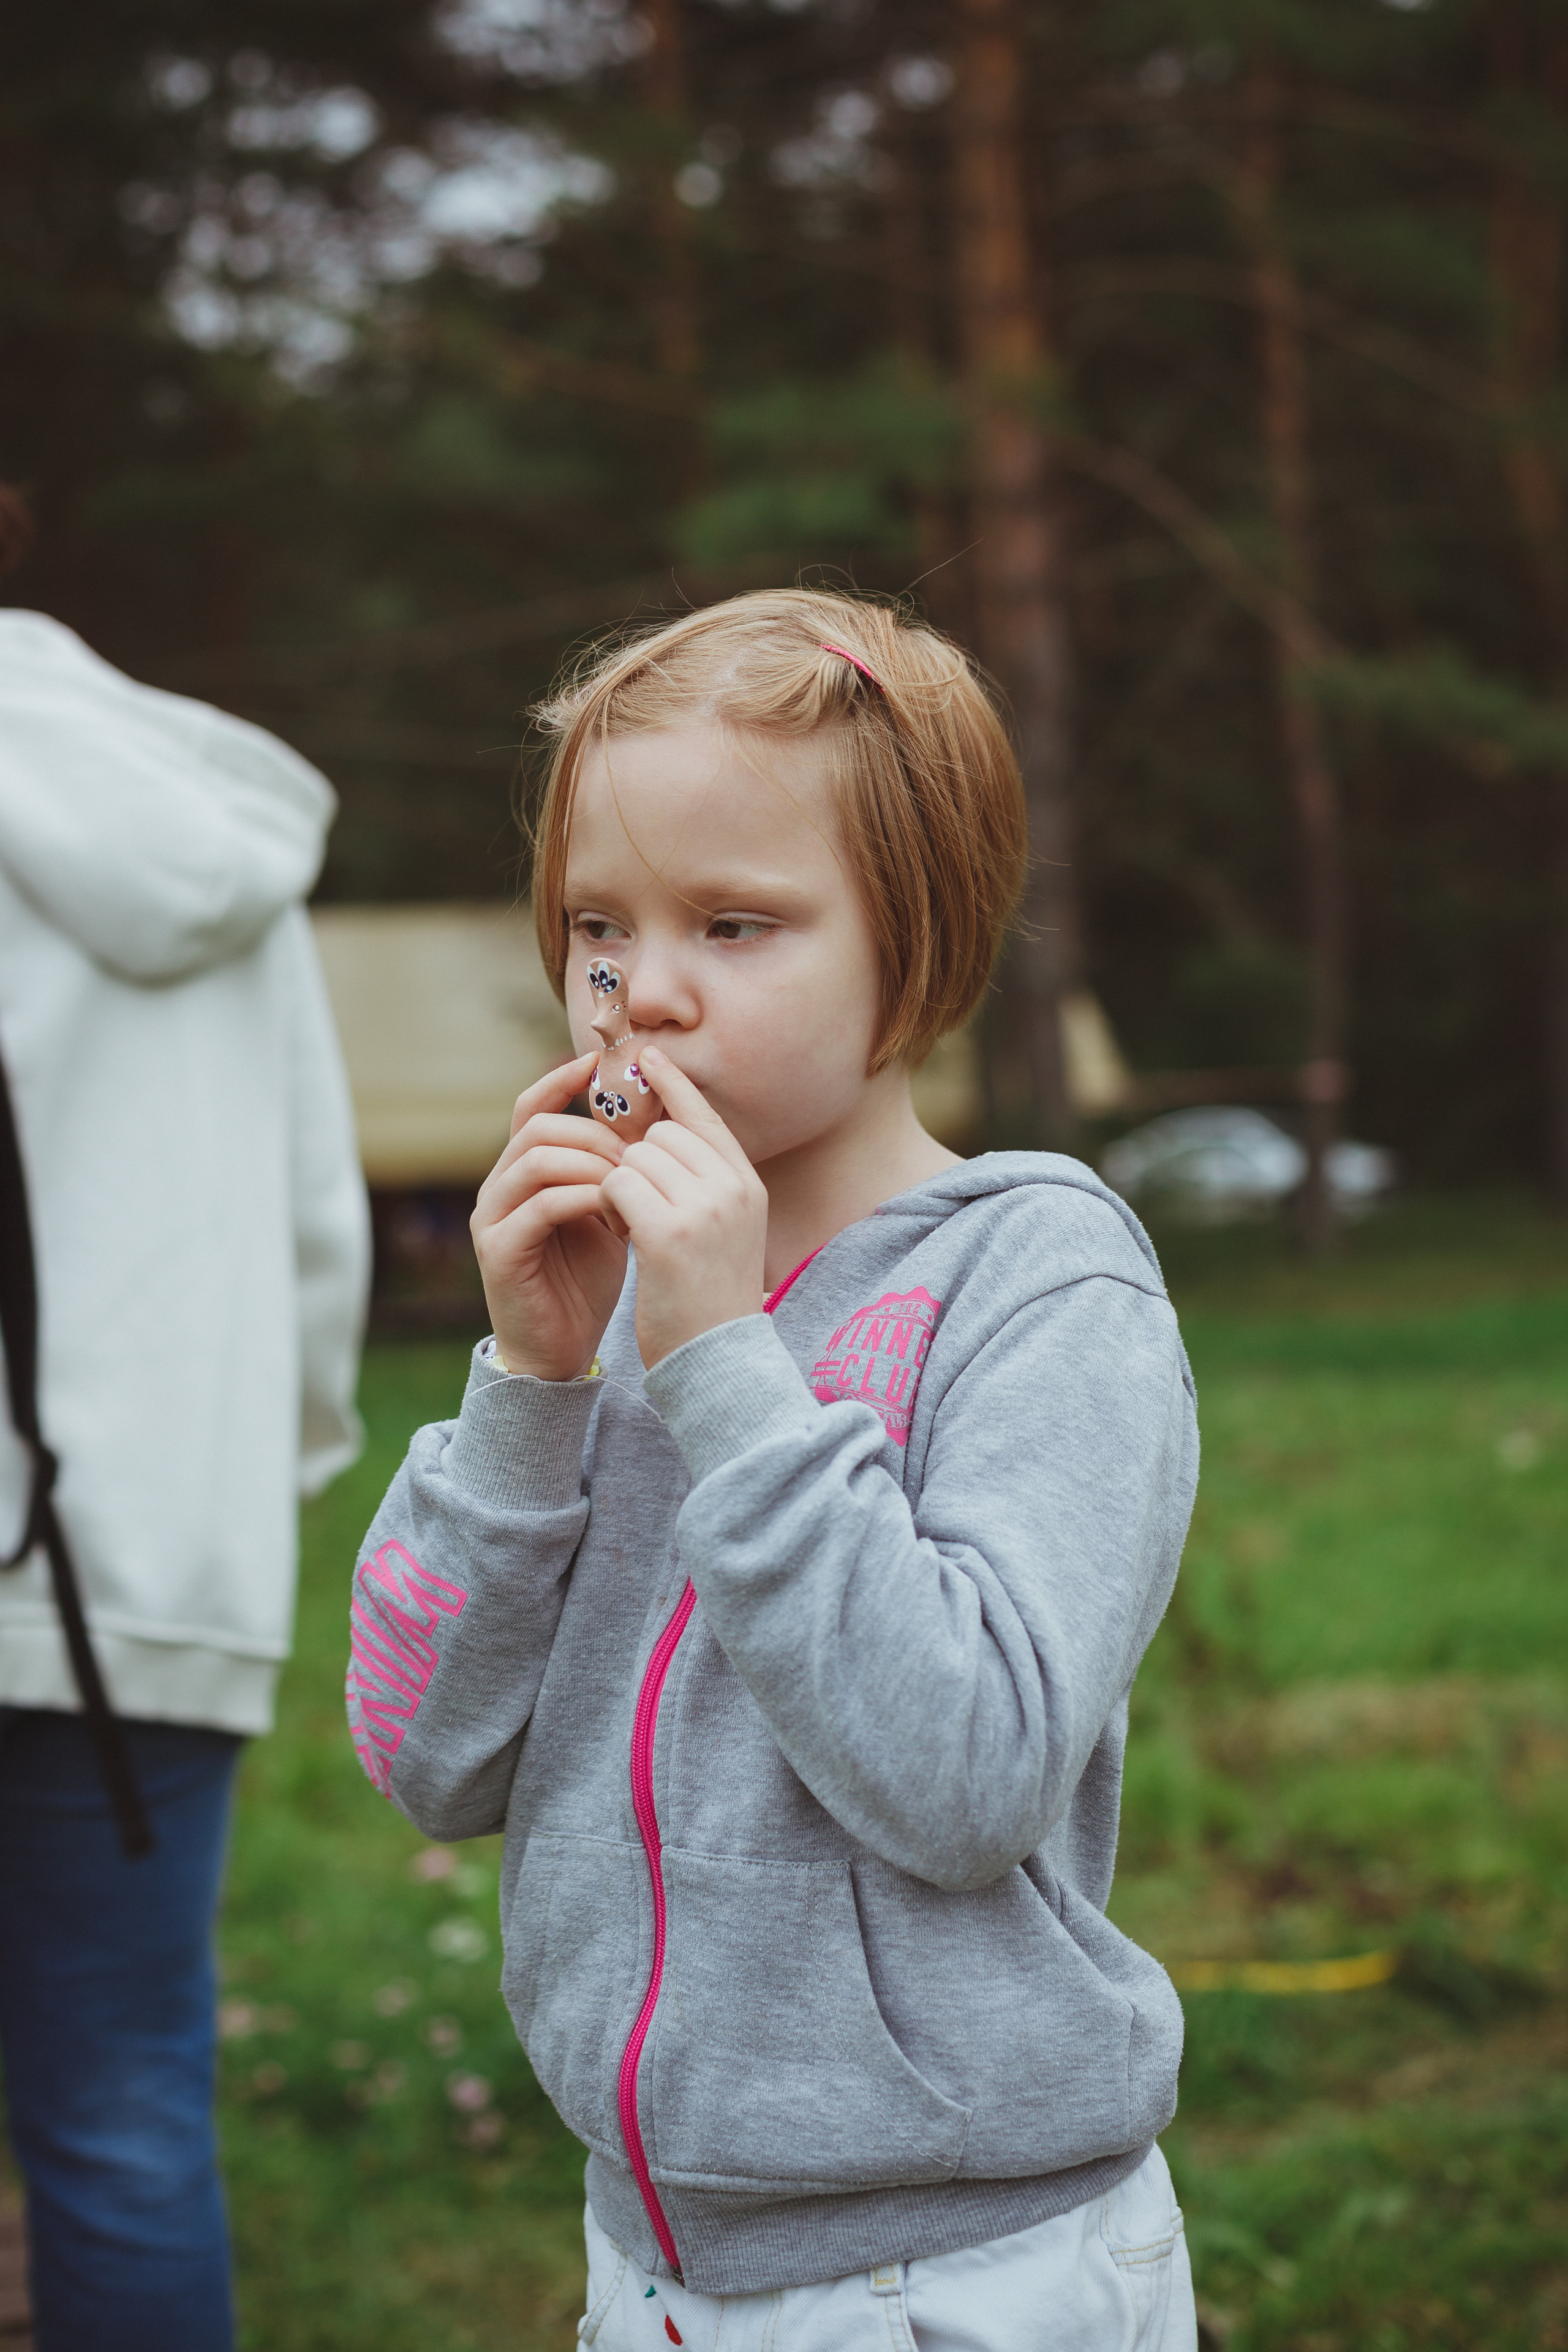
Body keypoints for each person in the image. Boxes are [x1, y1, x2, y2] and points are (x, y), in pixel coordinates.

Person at [347, 589, 1200, 2349]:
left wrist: (728, 1359)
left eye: (737, 924)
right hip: (651, 2263)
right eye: (600, 924)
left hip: (958, 2274)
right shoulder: (604, 1305)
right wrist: (533, 1380)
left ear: (921, 942)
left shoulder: (1039, 1282)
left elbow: (969, 1773)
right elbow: (424, 1758)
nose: (641, 989)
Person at [0, 571, 371, 2350]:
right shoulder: (211, 824)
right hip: (156, 1569)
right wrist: (246, 1493)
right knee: (124, 2117)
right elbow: (316, 1226)